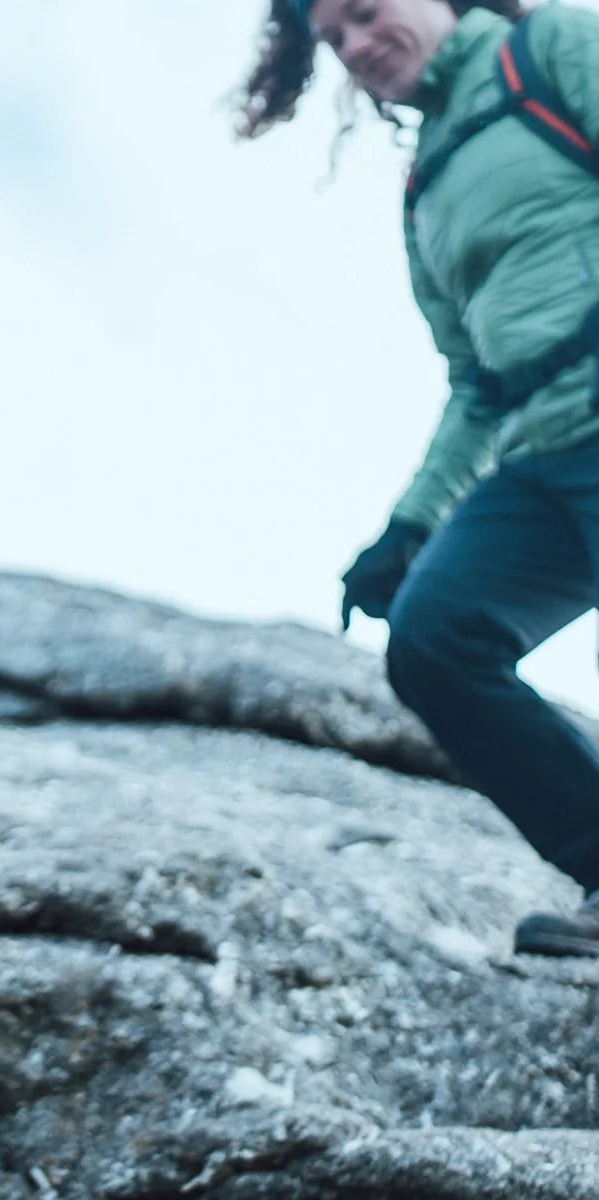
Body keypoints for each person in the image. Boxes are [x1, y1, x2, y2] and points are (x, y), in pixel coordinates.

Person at [238, 0, 599, 956]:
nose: (357, 46)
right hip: (540, 452)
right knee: (436, 637)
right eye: (334, 42)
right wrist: (407, 529)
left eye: (366, 14)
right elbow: (475, 386)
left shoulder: (553, 47)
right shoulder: (425, 189)